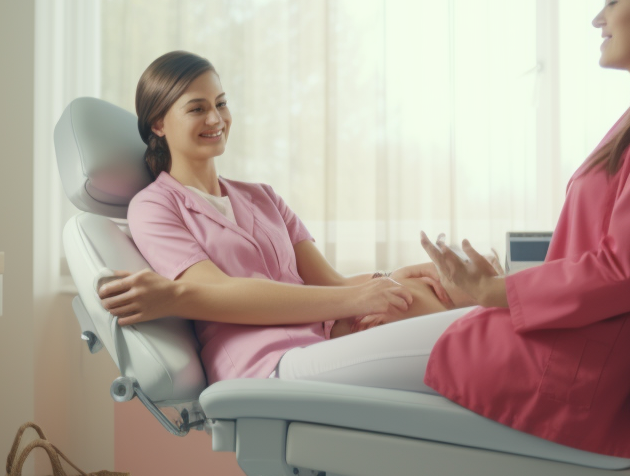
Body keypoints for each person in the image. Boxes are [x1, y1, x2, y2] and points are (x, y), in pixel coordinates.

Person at [267, 0, 630, 464]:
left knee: (296, 376)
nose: (597, 19)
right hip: (558, 349)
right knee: (316, 371)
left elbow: (622, 272)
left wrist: (493, 290)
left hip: (564, 372)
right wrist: (487, 292)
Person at [96, 51, 465, 383]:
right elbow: (214, 294)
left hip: (321, 341)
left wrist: (388, 278)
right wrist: (361, 301)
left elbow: (328, 282)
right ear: (158, 124)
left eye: (221, 103)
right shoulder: (154, 206)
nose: (216, 118)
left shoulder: (262, 196)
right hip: (266, 362)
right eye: (197, 108)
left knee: (438, 297)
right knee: (472, 335)